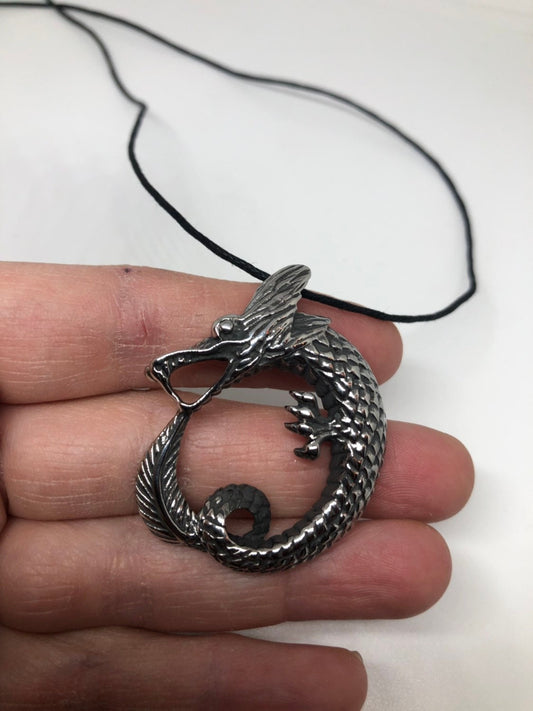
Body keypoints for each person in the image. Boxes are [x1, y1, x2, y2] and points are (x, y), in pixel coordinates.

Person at [0, 262, 474, 710]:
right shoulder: (280, 347)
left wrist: (323, 428)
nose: (217, 341)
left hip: (350, 433)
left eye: (227, 333)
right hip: (344, 430)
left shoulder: (299, 350)